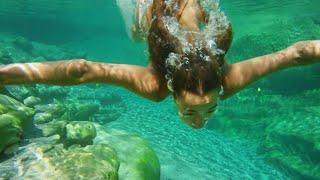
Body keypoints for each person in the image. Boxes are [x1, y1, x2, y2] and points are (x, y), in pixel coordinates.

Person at [0, 0, 319, 128]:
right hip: (147, 7)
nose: (200, 122)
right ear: (171, 89)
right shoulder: (157, 86)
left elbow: (294, 56)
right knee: (138, 32)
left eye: (206, 110)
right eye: (192, 112)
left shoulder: (225, 81)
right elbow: (85, 70)